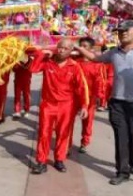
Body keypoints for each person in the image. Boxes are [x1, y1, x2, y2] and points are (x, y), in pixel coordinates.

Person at [74, 20, 133, 186]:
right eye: (119, 31)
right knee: (121, 137)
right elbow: (95, 58)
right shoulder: (114, 52)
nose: (122, 33)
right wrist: (79, 48)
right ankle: (122, 171)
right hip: (118, 102)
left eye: (126, 30)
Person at [29, 39, 89, 175]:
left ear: (70, 51)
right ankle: (41, 161)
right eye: (60, 47)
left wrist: (84, 106)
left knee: (63, 133)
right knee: (44, 133)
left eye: (65, 48)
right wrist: (41, 54)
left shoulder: (74, 66)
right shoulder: (47, 62)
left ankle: (59, 159)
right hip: (48, 104)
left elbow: (81, 88)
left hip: (67, 106)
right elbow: (33, 69)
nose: (61, 50)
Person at [73, 37, 105, 154]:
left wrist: (98, 96)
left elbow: (100, 81)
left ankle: (84, 142)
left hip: (89, 97)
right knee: (68, 120)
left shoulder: (97, 64)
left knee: (87, 121)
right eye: (80, 46)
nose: (81, 48)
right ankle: (66, 142)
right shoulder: (75, 62)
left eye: (85, 46)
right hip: (74, 96)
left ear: (91, 49)